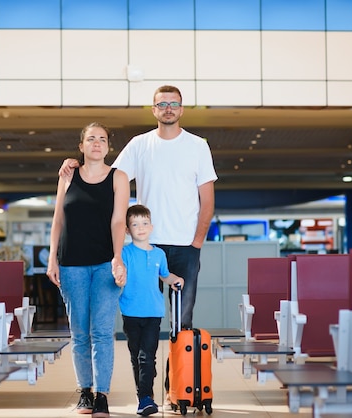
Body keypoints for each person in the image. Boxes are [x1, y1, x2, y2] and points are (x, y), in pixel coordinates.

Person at [60, 85, 217, 330]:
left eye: (173, 104)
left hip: (186, 245)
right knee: (144, 320)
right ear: (154, 110)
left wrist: (196, 243)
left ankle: (178, 369)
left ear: (182, 109)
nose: (168, 109)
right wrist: (77, 164)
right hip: (146, 246)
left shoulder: (198, 146)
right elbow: (107, 178)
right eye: (162, 104)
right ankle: (147, 370)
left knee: (183, 322)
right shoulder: (139, 144)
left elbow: (207, 201)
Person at [47, 122, 130, 418]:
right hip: (71, 264)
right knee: (80, 332)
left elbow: (119, 220)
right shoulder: (68, 176)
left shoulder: (119, 177)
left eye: (102, 139)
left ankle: (102, 395)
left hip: (105, 263)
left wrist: (118, 257)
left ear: (108, 147)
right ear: (81, 146)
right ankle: (85, 390)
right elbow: (58, 219)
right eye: (91, 139)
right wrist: (52, 258)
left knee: (103, 332)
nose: (97, 143)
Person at [119, 204, 184, 416]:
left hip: (153, 312)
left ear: (152, 226)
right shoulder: (125, 252)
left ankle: (145, 397)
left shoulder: (159, 254)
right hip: (130, 311)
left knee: (147, 356)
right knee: (136, 356)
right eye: (135, 224)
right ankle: (144, 394)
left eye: (145, 223)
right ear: (128, 230)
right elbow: (120, 276)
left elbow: (165, 275)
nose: (141, 227)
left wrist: (175, 279)